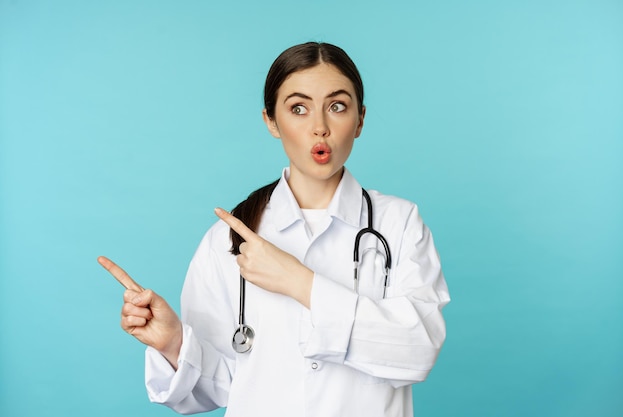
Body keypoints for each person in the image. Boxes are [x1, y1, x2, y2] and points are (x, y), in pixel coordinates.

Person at [98, 41, 450, 417]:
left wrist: (300, 282)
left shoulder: (398, 223)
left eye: (337, 107)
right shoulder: (229, 238)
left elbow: (417, 351)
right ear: (271, 121)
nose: (320, 127)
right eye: (298, 108)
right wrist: (173, 343)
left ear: (360, 119)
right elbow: (216, 387)